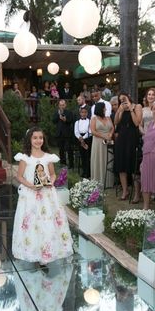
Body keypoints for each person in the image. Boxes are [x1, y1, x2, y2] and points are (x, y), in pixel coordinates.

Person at [12, 127, 73, 264]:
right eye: (35, 138)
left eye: (40, 138)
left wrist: (50, 182)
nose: (38, 140)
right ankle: (32, 250)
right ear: (29, 140)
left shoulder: (47, 157)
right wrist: (31, 186)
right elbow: (19, 176)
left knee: (47, 220)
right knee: (32, 221)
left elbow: (52, 174)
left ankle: (49, 248)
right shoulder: (25, 158)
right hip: (30, 195)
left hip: (46, 195)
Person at [113, 92, 142, 201]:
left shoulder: (137, 106)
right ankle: (125, 190)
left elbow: (137, 123)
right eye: (120, 100)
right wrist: (119, 111)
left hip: (132, 137)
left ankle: (137, 193)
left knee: (133, 166)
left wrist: (130, 109)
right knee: (121, 165)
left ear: (129, 97)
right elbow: (116, 122)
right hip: (122, 137)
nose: (123, 101)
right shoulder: (121, 108)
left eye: (124, 98)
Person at [90, 102, 114, 188]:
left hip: (108, 141)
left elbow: (112, 128)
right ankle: (98, 181)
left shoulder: (108, 118)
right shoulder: (94, 119)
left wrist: (110, 134)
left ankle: (108, 182)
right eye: (104, 108)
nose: (106, 109)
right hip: (98, 142)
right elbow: (93, 131)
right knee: (99, 160)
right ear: (100, 109)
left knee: (108, 159)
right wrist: (104, 136)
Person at [52, 99, 75, 168]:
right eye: (60, 105)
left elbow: (71, 120)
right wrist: (58, 116)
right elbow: (54, 121)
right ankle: (63, 163)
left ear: (65, 105)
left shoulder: (69, 112)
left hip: (67, 134)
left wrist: (65, 119)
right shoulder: (56, 112)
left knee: (69, 149)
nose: (62, 106)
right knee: (61, 150)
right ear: (58, 106)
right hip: (59, 133)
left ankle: (71, 164)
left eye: (63, 105)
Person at [74, 106, 92, 178]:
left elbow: (90, 132)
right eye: (82, 112)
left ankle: (88, 172)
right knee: (82, 156)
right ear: (80, 113)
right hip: (80, 139)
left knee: (87, 156)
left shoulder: (90, 121)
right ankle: (84, 171)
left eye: (85, 112)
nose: (83, 114)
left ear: (87, 113)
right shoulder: (77, 122)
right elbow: (76, 132)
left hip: (87, 139)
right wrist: (80, 138)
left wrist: (83, 138)